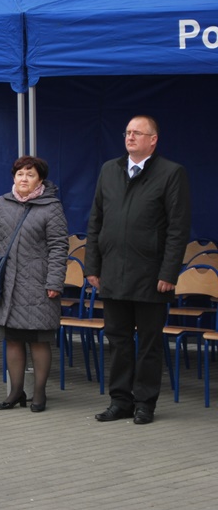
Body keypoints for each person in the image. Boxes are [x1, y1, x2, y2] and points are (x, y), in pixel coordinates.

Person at [86, 115, 191, 425]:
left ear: (153, 140)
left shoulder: (171, 173)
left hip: (151, 275)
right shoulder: (109, 170)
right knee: (117, 341)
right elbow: (96, 221)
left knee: (148, 343)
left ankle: (145, 403)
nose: (130, 137)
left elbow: (178, 228)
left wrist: (169, 273)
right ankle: (120, 401)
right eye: (127, 132)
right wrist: (92, 266)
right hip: (113, 272)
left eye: (137, 133)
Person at [0, 156, 68, 412]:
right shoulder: (2, 203)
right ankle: (16, 392)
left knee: (38, 340)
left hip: (39, 284)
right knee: (12, 339)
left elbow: (59, 247)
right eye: (20, 174)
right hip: (7, 284)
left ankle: (39, 394)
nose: (24, 179)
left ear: (40, 180)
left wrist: (55, 282)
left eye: (30, 174)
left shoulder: (51, 207)